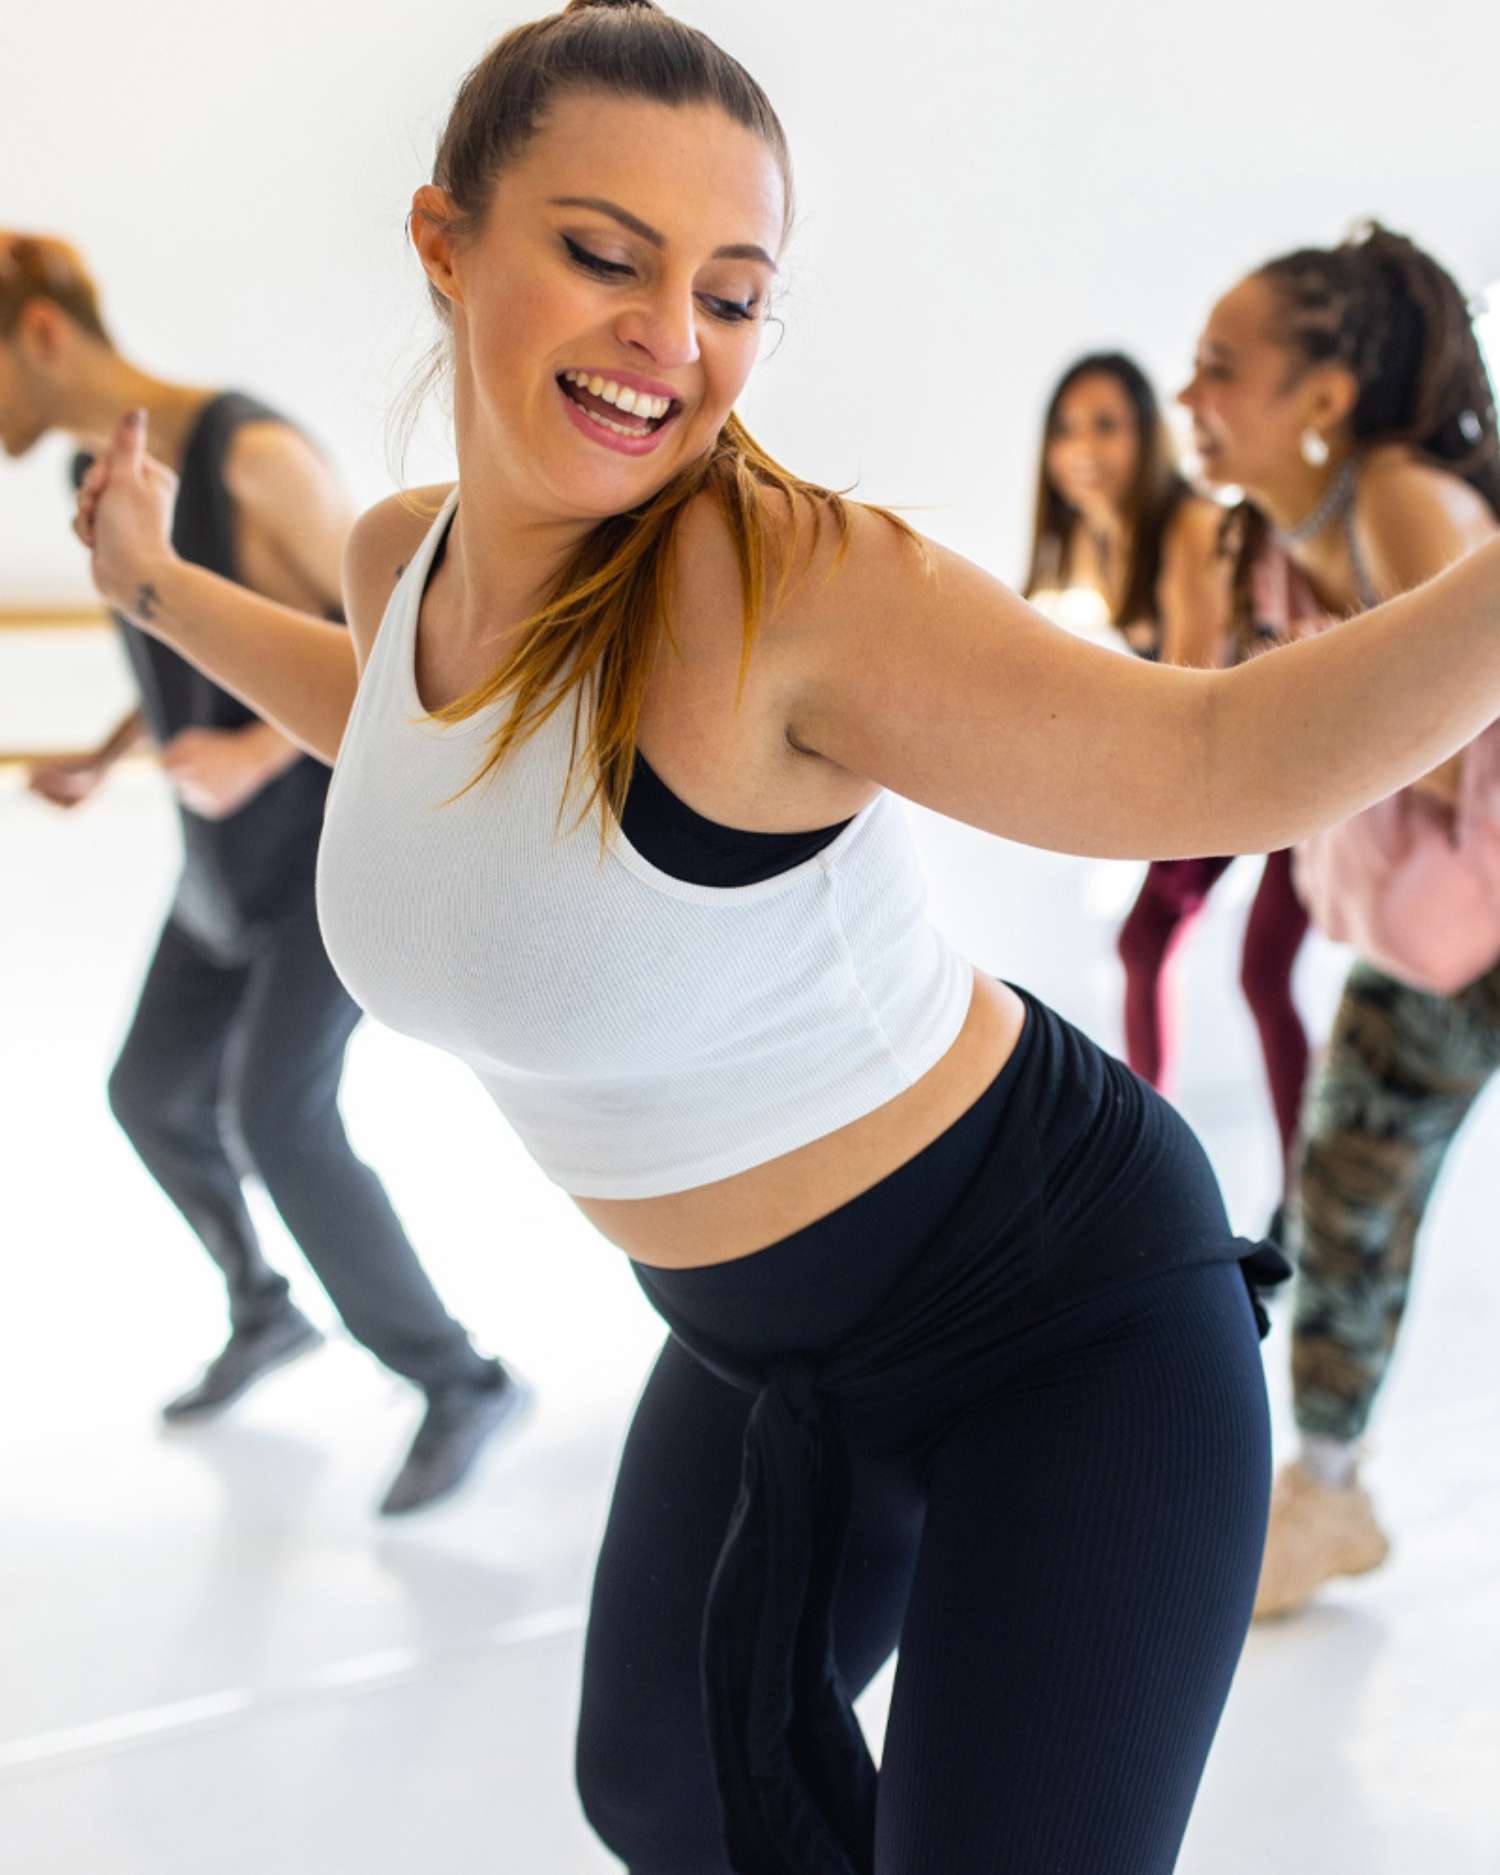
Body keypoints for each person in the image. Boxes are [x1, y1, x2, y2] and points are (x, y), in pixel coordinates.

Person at [65, 5, 1500, 1867]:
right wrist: (157, 588)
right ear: (446, 241)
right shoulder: (401, 565)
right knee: (668, 1791)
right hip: (763, 1346)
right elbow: (400, 730)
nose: (671, 340)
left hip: (1064, 1326)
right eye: (604, 255)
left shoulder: (781, 592)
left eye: (732, 293)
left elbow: (1214, 752)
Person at [1, 231, 526, 1517]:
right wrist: (107, 746)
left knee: (276, 1117)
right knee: (146, 1095)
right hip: (220, 872)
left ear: (42, 334)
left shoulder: (253, 459)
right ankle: (263, 1310)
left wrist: (243, 748)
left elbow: (402, 666)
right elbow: (185, 632)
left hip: (319, 862)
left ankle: (459, 1378)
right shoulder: (101, 470)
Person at [1180, 222, 1500, 1618]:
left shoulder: (1404, 502)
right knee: (1347, 1194)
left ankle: (1324, 1490)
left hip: (1473, 899)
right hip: (1439, 932)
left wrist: (1291, 697)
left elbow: (1440, 741)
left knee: (1351, 1188)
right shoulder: (1278, 541)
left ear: (1320, 395)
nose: (1190, 399)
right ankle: (1325, 1494)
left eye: (1220, 370)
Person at [1025, 352, 1312, 1213]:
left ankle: (1293, 1186)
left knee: (1258, 969)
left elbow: (1190, 690)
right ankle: (1154, 1163)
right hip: (1232, 769)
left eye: (1107, 424)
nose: (1083, 446)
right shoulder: (1096, 540)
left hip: (1286, 764)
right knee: (1161, 951)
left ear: (1148, 436)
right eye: (1067, 427)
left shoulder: (1189, 527)